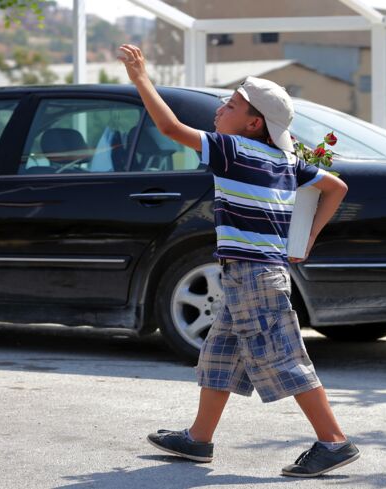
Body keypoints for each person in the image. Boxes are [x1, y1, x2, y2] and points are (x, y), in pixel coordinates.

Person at [118, 44, 356, 478]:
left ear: (254, 123)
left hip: (252, 275)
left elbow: (170, 128)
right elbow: (335, 187)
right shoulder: (287, 159)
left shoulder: (233, 150)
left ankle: (334, 441)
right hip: (250, 273)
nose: (220, 110)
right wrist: (304, 239)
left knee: (284, 357)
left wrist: (141, 79)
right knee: (220, 354)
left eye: (230, 105)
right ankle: (198, 439)